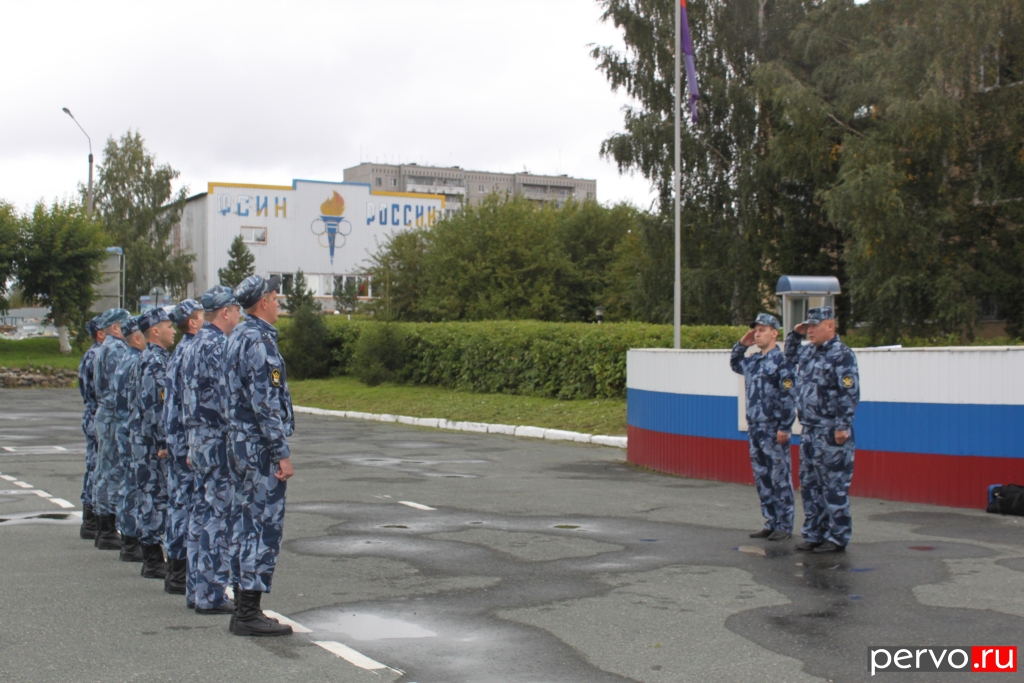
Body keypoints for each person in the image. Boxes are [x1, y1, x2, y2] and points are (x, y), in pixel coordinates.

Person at [223, 275, 294, 637]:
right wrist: (280, 452)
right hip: (259, 447)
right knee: (260, 525)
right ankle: (248, 612)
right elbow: (265, 404)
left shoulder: (237, 336)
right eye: (275, 297)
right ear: (263, 301)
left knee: (243, 523)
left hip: (239, 442)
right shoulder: (259, 341)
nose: (278, 302)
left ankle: (243, 608)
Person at [182, 286, 241, 615]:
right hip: (217, 439)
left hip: (198, 437)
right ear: (225, 312)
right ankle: (212, 594)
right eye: (235, 309)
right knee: (218, 518)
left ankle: (197, 588)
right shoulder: (218, 345)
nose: (238, 315)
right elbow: (226, 398)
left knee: (201, 515)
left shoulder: (193, 344)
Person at [784, 306, 860, 554]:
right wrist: (795, 334)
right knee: (810, 486)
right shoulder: (809, 353)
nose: (810, 330)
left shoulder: (842, 355)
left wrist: (842, 426)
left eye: (815, 326)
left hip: (830, 432)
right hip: (809, 431)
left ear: (830, 325)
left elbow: (849, 393)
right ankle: (814, 534)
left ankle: (837, 537)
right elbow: (790, 355)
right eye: (808, 326)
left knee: (834, 487)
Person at [730, 313, 796, 541]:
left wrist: (785, 427)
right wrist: (741, 344)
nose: (757, 334)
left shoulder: (783, 362)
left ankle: (784, 525)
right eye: (755, 330)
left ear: (774, 333)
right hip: (755, 429)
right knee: (762, 477)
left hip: (773, 430)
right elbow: (734, 363)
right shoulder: (753, 361)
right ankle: (771, 521)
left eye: (762, 330)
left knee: (779, 476)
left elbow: (789, 397)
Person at [163, 299, 203, 598]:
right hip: (186, 439)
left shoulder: (178, 352)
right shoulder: (192, 350)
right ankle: (182, 571)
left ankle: (176, 569)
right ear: (192, 323)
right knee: (189, 505)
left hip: (177, 438)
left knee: (179, 503)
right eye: (203, 316)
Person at [131, 308, 175, 580]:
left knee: (151, 495)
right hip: (151, 441)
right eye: (169, 326)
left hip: (143, 437)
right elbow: (156, 406)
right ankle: (152, 559)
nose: (173, 330)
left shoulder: (146, 358)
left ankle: (152, 557)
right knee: (154, 496)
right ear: (155, 331)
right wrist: (163, 440)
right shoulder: (155, 362)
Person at [92, 308, 131, 550]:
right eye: (125, 325)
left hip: (106, 413)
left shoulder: (104, 347)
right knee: (111, 470)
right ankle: (107, 527)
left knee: (105, 469)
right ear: (115, 328)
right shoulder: (116, 349)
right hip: (114, 415)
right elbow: (121, 388)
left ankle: (103, 525)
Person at [113, 315, 147, 562]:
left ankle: (128, 538)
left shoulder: (125, 359)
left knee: (128, 483)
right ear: (137, 338)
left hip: (124, 427)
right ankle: (132, 539)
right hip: (133, 430)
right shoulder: (136, 362)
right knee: (134, 486)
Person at [77, 316, 106, 540]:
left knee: (93, 464)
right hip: (98, 413)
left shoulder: (90, 354)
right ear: (100, 334)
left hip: (91, 412)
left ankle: (90, 518)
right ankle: (93, 519)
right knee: (99, 466)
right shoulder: (98, 354)